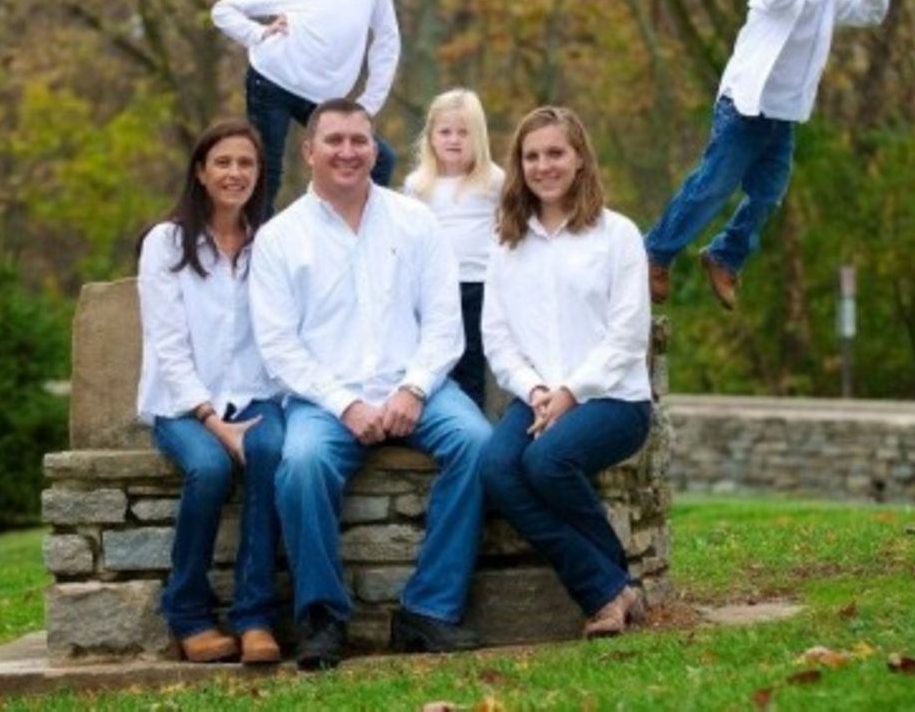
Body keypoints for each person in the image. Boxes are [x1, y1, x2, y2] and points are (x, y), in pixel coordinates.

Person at [249, 99, 492, 671]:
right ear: (309, 151)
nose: (348, 152)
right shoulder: (281, 238)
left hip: (418, 388)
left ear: (373, 148)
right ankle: (323, 619)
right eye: (333, 141)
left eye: (359, 141)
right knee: (302, 463)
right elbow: (279, 347)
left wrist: (413, 389)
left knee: (480, 445)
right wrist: (345, 403)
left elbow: (443, 324)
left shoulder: (415, 221)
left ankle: (428, 610)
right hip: (324, 401)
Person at [646, 0, 890, 309]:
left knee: (768, 195)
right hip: (744, 106)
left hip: (783, 115)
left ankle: (724, 256)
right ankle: (655, 253)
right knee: (714, 185)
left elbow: (870, 15)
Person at [479, 106, 653, 639]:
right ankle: (612, 589)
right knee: (497, 468)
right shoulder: (507, 240)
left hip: (613, 400)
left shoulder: (617, 235)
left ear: (579, 158)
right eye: (531, 156)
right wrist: (534, 389)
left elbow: (628, 335)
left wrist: (572, 392)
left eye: (555, 152)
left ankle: (602, 593)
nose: (543, 165)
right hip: (535, 399)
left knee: (548, 460)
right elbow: (497, 335)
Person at [135, 120, 285, 665]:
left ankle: (255, 617)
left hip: (255, 393)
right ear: (200, 172)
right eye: (223, 162)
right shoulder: (166, 243)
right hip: (182, 403)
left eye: (246, 163)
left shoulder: (270, 245)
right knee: (212, 468)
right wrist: (211, 419)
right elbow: (168, 347)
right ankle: (189, 615)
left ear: (259, 175)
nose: (235, 173)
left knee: (271, 453)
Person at [213, 0, 401, 217]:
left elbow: (387, 40)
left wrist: (369, 104)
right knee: (267, 177)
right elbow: (223, 10)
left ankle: (334, 230)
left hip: (324, 98)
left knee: (380, 160)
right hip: (272, 81)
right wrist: (258, 33)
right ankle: (254, 255)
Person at [402, 89, 504, 410]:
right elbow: (409, 241)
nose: (454, 140)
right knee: (435, 356)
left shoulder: (493, 181)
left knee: (472, 358)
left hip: (480, 285)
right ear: (431, 136)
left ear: (479, 137)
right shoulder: (418, 185)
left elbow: (508, 230)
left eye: (464, 132)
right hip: (434, 288)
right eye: (445, 132)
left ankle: (472, 420)